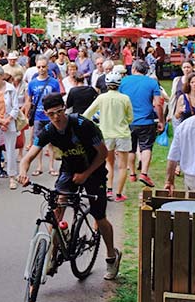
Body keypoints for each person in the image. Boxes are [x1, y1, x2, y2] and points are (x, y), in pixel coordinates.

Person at [18, 92, 122, 280]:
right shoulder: (49, 130)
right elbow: (28, 156)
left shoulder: (83, 125)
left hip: (94, 170)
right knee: (57, 208)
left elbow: (103, 153)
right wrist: (23, 172)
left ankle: (111, 256)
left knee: (99, 217)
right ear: (46, 114)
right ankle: (51, 255)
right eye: (51, 114)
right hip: (69, 168)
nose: (56, 117)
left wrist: (85, 174)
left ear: (64, 108)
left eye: (59, 112)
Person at [83, 72, 133, 202]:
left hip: (106, 134)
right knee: (122, 166)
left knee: (108, 163)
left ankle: (109, 190)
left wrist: (96, 123)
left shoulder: (101, 98)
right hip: (122, 134)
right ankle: (119, 194)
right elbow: (130, 118)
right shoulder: (125, 98)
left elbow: (87, 114)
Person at [119, 60, 163, 187]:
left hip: (128, 121)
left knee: (130, 148)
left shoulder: (124, 82)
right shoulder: (152, 83)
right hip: (146, 120)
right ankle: (144, 173)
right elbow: (158, 103)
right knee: (146, 147)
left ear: (133, 69)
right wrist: (161, 120)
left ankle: (132, 174)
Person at [25, 56, 61, 176]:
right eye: (39, 67)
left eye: (43, 66)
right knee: (38, 142)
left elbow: (57, 99)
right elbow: (29, 100)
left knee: (52, 142)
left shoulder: (54, 82)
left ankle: (51, 166)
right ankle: (39, 166)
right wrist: (27, 114)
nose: (41, 69)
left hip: (51, 117)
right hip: (38, 116)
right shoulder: (32, 83)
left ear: (47, 67)